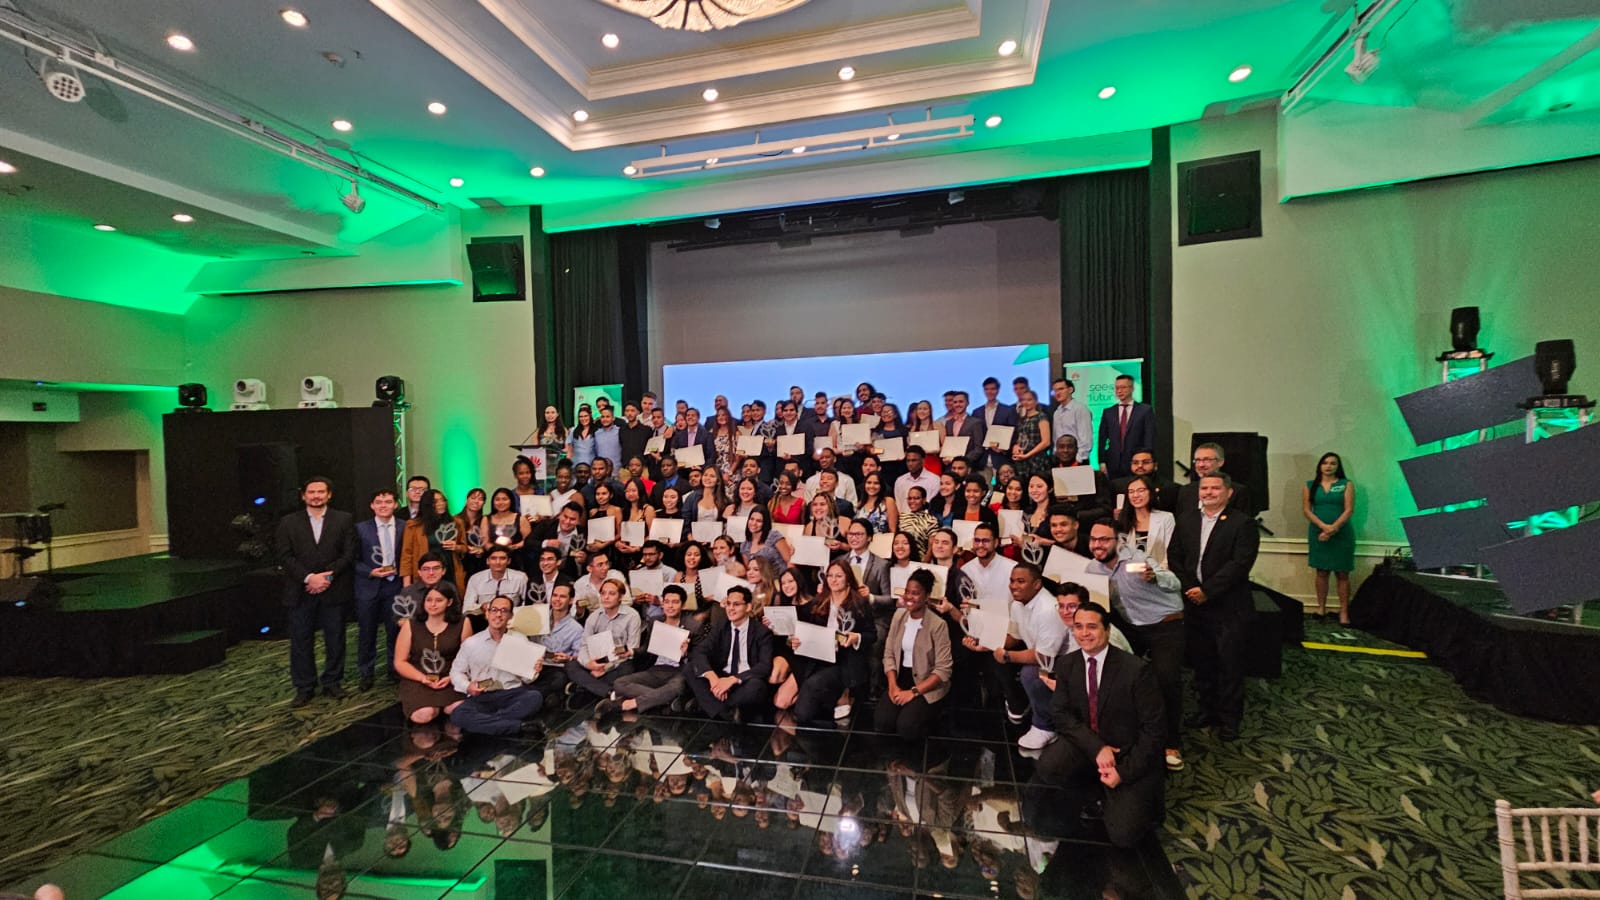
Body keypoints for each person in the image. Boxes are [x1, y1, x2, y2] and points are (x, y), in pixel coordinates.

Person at [1025, 601, 1166, 848]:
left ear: (1107, 630)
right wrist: (1097, 748)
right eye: (1078, 627)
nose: (1084, 633)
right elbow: (1061, 713)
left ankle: (1127, 791)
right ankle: (1093, 784)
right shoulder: (1068, 664)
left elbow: (1154, 730)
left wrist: (1123, 773)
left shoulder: (1136, 670)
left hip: (1128, 752)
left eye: (1092, 627)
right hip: (1091, 743)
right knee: (1048, 767)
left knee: (1124, 836)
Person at [1085, 519, 1187, 772]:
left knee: (1166, 680)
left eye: (1104, 539)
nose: (1098, 545)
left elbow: (1175, 582)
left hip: (1164, 623)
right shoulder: (1093, 568)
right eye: (1093, 540)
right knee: (1113, 672)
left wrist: (1154, 577)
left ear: (1118, 541)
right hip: (1132, 626)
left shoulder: (1137, 559)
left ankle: (1171, 743)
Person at [1166, 473, 1260, 742]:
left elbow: (1240, 564)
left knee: (1229, 665)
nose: (1208, 492)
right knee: (1202, 663)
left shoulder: (1243, 523)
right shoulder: (1186, 520)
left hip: (1229, 606)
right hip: (1195, 605)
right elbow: (1175, 557)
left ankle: (1229, 720)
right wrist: (1192, 589)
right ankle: (1206, 711)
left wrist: (1207, 590)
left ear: (1228, 493)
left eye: (1215, 488)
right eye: (1204, 488)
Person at [275, 476, 358, 706]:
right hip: (301, 591)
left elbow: (349, 553)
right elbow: (284, 555)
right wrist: (309, 578)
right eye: (311, 492)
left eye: (321, 492)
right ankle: (304, 687)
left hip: (334, 589)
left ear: (329, 495)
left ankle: (332, 682)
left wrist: (326, 577)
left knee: (336, 639)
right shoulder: (288, 522)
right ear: (303, 496)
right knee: (301, 641)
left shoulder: (344, 519)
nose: (316, 496)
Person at [448, 595, 547, 737]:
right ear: (487, 614)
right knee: (458, 715)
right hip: (482, 696)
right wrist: (468, 687)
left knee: (534, 697)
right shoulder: (471, 643)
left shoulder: (520, 639)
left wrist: (534, 671)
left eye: (504, 611)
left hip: (512, 693)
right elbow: (456, 672)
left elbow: (526, 679)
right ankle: (518, 726)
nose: (498, 615)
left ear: (511, 616)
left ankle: (488, 723)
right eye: (494, 610)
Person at [791, 560, 874, 724]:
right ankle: (834, 696)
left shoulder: (859, 603)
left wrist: (856, 637)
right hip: (818, 658)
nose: (833, 580)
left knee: (806, 705)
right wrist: (794, 640)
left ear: (848, 578)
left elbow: (872, 634)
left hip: (845, 661)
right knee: (799, 707)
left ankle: (845, 692)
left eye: (838, 576)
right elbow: (803, 627)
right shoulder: (819, 600)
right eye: (830, 576)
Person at [875, 569, 953, 742]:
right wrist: (893, 686)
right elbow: (889, 654)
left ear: (927, 596)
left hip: (927, 684)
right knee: (883, 723)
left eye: (915, 593)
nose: (909, 597)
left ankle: (935, 713)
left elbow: (943, 670)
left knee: (907, 728)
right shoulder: (898, 616)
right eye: (907, 591)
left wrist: (913, 693)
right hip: (901, 677)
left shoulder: (938, 625)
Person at [600, 584, 698, 715]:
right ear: (662, 603)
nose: (670, 606)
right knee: (619, 683)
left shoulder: (693, 626)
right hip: (656, 669)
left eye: (675, 602)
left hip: (678, 671)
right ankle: (664, 700)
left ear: (683, 605)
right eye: (667, 602)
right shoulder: (655, 621)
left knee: (677, 687)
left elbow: (698, 658)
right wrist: (631, 652)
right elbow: (647, 648)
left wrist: (686, 653)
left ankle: (626, 704)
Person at [688, 586, 774, 722]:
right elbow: (700, 651)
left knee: (757, 688)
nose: (730, 608)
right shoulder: (721, 626)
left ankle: (709, 706)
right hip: (721, 677)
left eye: (736, 604)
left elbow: (764, 666)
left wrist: (733, 679)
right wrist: (713, 679)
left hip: (744, 680)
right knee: (690, 668)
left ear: (748, 607)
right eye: (728, 604)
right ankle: (728, 711)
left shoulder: (761, 632)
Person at [395, 581, 471, 724]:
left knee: (457, 710)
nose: (433, 604)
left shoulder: (463, 623)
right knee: (424, 715)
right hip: (419, 678)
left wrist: (452, 677)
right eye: (429, 600)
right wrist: (423, 678)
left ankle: (444, 706)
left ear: (449, 602)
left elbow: (468, 659)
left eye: (439, 600)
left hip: (450, 676)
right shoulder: (411, 625)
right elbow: (400, 662)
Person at [564, 576, 643, 705]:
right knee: (571, 666)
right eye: (603, 593)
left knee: (626, 670)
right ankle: (608, 692)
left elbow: (631, 649)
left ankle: (586, 688)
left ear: (620, 597)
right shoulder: (594, 616)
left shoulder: (632, 616)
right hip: (596, 661)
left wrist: (605, 669)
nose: (606, 597)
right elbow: (584, 645)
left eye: (611, 594)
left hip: (618, 662)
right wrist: (589, 664)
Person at [354, 488, 403, 691]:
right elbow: (352, 559)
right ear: (372, 505)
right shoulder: (360, 529)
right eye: (379, 502)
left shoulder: (405, 527)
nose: (384, 506)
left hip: (396, 585)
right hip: (368, 587)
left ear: (396, 505)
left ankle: (394, 669)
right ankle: (366, 673)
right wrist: (370, 572)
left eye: (388, 502)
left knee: (395, 631)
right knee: (367, 632)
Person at [1303, 452, 1356, 623]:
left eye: (1333, 463)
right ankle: (1321, 608)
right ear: (1320, 466)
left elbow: (1349, 510)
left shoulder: (1346, 484)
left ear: (1338, 467)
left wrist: (1333, 528)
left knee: (1342, 573)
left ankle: (1344, 612)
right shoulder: (1310, 485)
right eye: (1325, 463)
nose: (1328, 466)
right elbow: (1307, 510)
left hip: (1342, 533)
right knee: (1321, 572)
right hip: (1318, 533)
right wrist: (1323, 527)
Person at [400, 489, 465, 591]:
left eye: (443, 500)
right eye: (436, 502)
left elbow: (464, 547)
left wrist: (456, 547)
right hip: (425, 572)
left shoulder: (456, 522)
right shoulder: (413, 525)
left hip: (450, 569)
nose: (441, 504)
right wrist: (407, 583)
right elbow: (406, 555)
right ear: (427, 505)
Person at [1096, 374, 1155, 480]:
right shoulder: (1108, 412)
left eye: (1123, 387)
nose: (1119, 391)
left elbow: (1149, 437)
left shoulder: (1145, 410)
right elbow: (1102, 439)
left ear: (1132, 388)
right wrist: (1102, 461)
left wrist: (1147, 461)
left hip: (1137, 463)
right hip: (1113, 463)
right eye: (1117, 388)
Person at [1115, 475, 1176, 567]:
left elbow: (1171, 553)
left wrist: (1157, 572)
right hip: (1130, 572)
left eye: (1141, 490)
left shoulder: (1166, 518)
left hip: (1159, 571)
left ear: (1150, 492)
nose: (1135, 495)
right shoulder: (1123, 520)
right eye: (1131, 492)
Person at [1177, 442, 1252, 514]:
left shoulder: (1237, 492)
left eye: (1207, 460)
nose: (1201, 465)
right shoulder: (1185, 491)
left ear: (1220, 462)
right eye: (1197, 460)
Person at [463, 545, 528, 617]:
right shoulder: (476, 579)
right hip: (483, 618)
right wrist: (481, 607)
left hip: (512, 617)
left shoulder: (520, 578)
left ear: (509, 561)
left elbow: (527, 604)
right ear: (487, 561)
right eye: (493, 558)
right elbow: (467, 608)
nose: (498, 562)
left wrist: (513, 611)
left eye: (502, 558)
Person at [1114, 449, 1179, 514]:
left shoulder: (1170, 488)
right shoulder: (1118, 486)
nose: (1140, 466)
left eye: (1146, 462)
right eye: (1135, 463)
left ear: (1155, 465)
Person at [1010, 389, 1052, 480]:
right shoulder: (1022, 419)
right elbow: (1020, 437)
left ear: (1036, 401)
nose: (1026, 402)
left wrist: (1027, 455)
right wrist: (1016, 447)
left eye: (1029, 400)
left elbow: (1046, 442)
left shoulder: (1041, 416)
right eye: (1023, 400)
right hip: (1022, 461)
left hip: (1036, 460)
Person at [1049, 377, 1093, 463]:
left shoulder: (1080, 409)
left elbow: (1086, 438)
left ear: (1070, 390)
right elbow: (1056, 437)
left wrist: (1079, 459)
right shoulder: (1057, 412)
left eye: (1061, 389)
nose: (1057, 393)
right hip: (1061, 458)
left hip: (1077, 458)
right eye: (1055, 391)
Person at [480, 487, 530, 557]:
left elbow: (528, 540)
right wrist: (497, 551)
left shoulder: (521, 519)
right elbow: (485, 542)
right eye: (497, 499)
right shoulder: (486, 519)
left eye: (504, 499)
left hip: (516, 556)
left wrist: (513, 547)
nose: (501, 502)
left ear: (511, 501)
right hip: (492, 557)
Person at [893, 446, 941, 513]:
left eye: (914, 460)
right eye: (908, 460)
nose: (910, 464)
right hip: (904, 518)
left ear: (923, 460)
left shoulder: (934, 480)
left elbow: (933, 505)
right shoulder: (900, 481)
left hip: (926, 518)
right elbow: (899, 505)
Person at [898, 486, 938, 559]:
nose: (912, 501)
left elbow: (932, 545)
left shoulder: (930, 520)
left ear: (924, 500)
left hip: (919, 560)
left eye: (916, 498)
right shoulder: (901, 517)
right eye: (910, 498)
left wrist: (925, 562)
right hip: (900, 558)